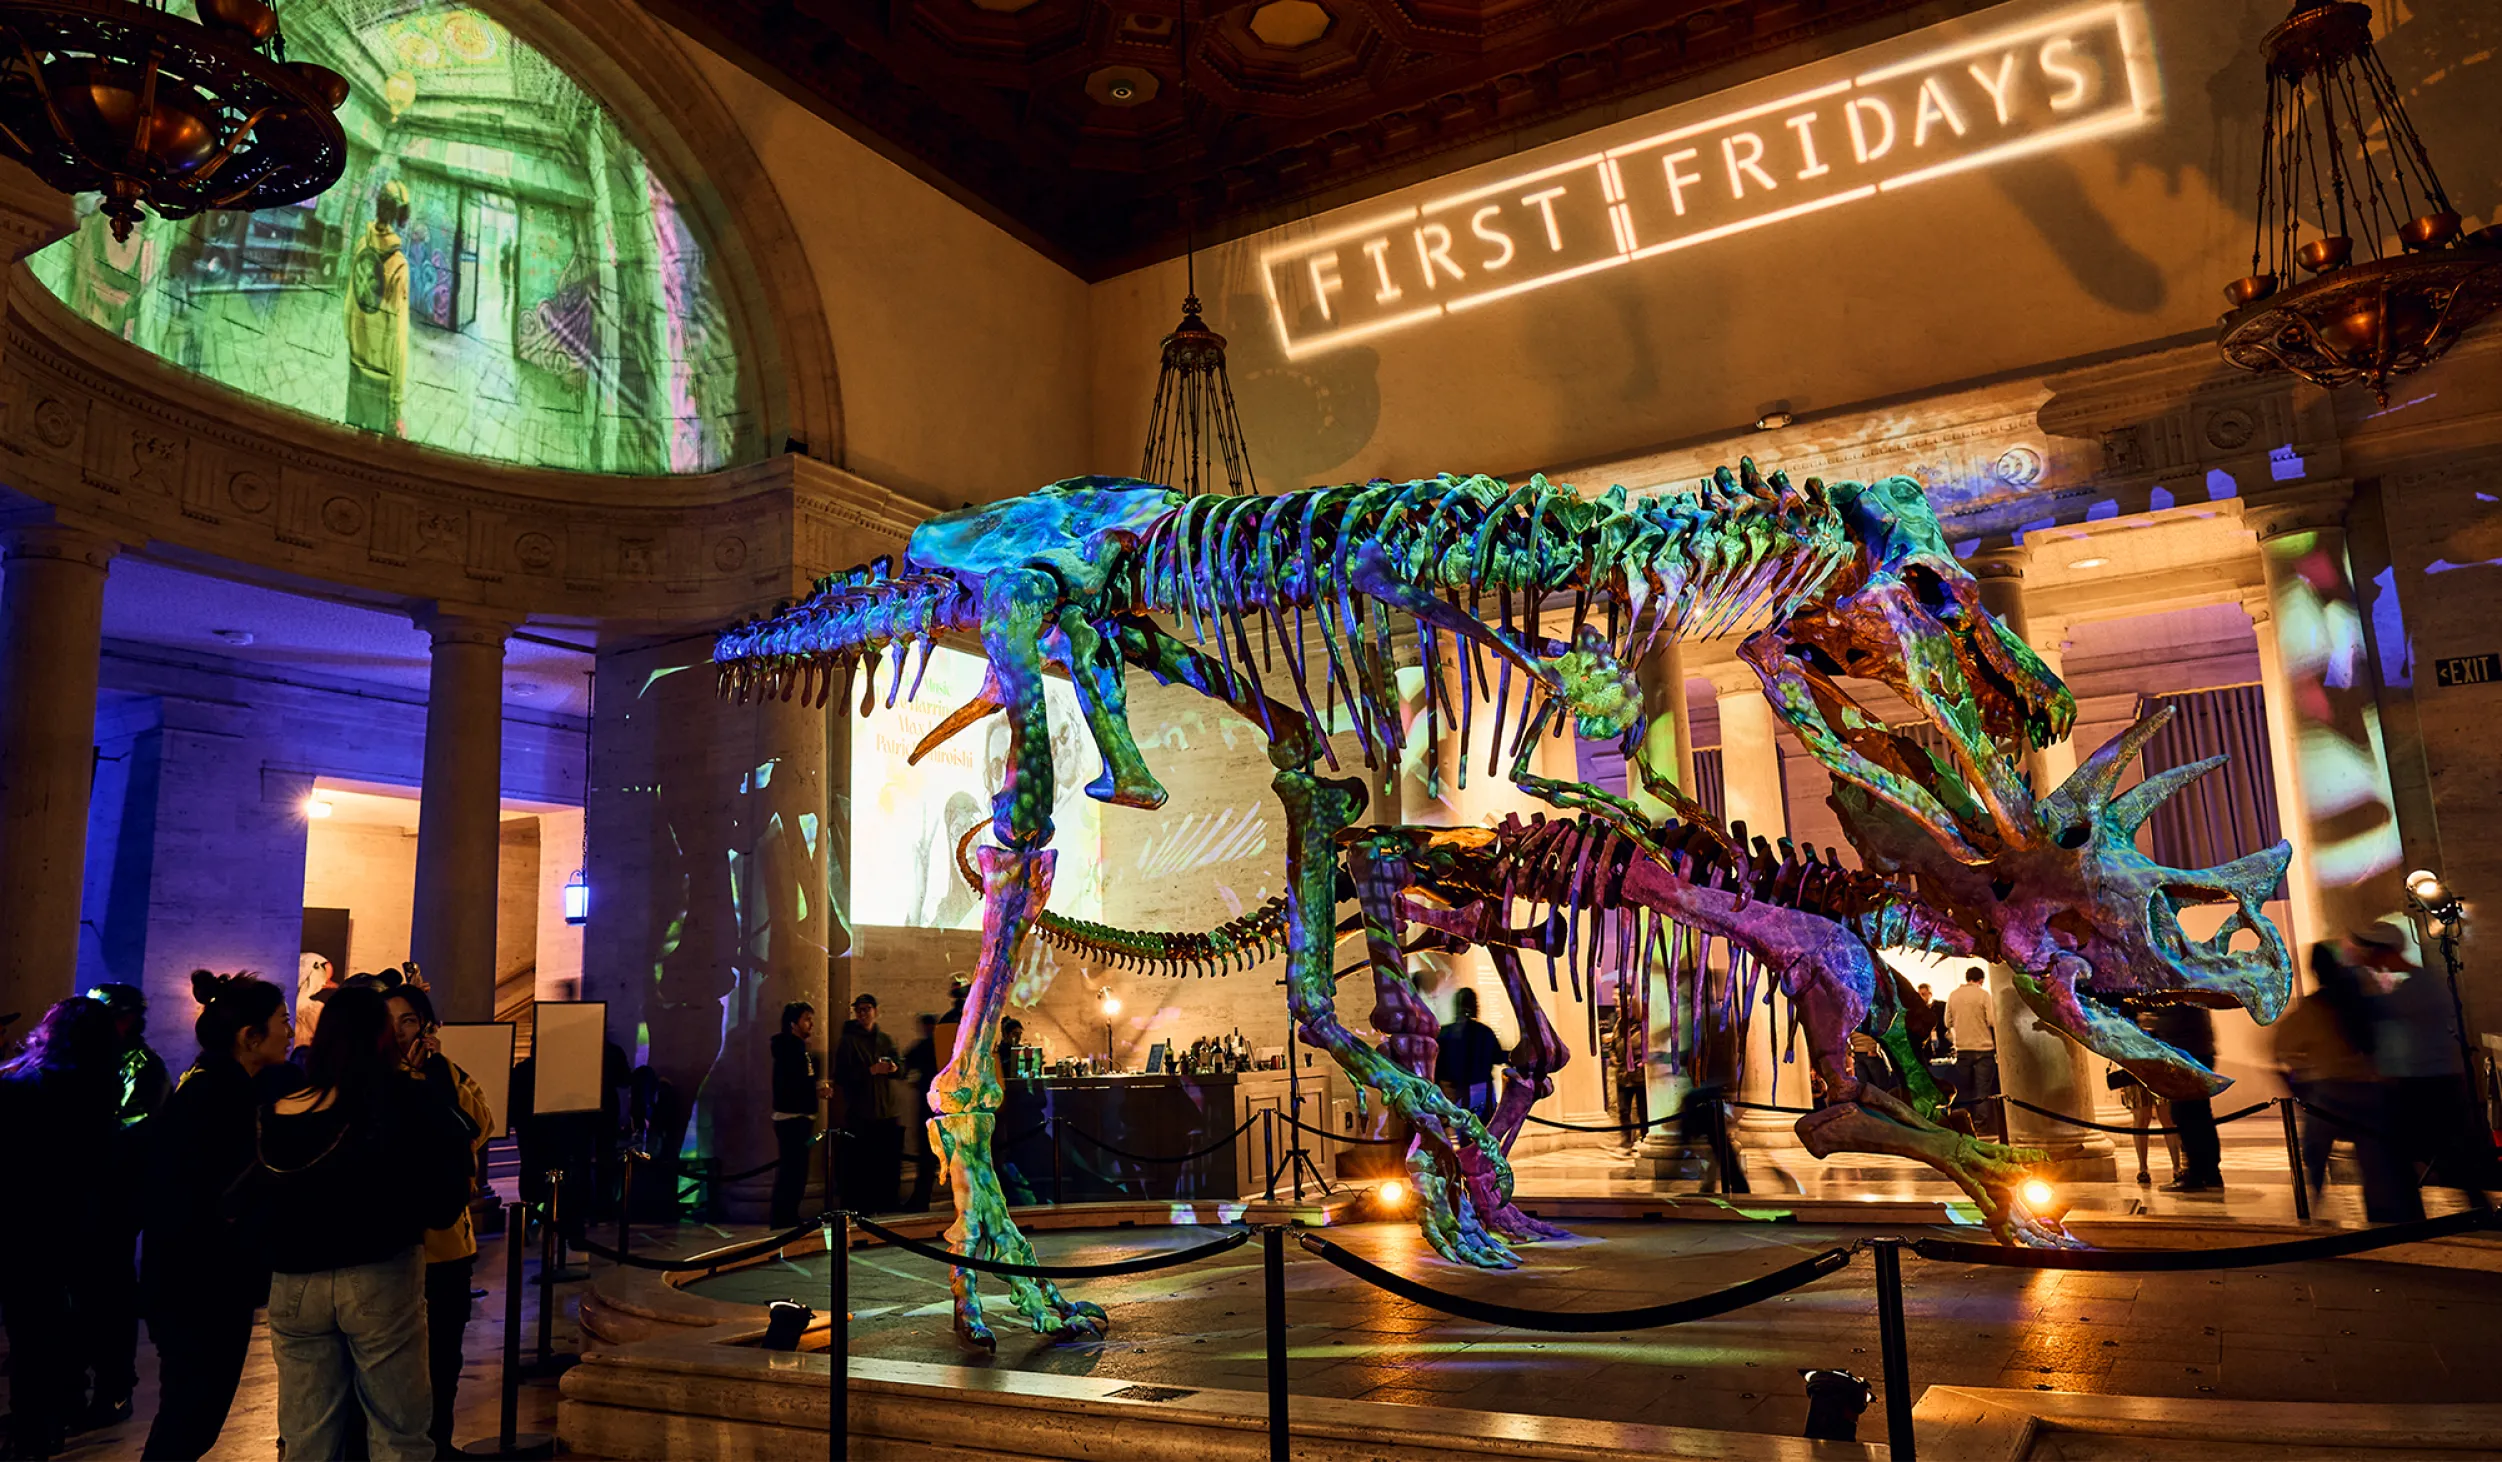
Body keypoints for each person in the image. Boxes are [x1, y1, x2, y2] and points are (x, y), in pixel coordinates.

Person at [251, 984, 476, 1462]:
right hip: (378, 1273)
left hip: (293, 1283)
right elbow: (450, 1180)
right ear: (381, 1037)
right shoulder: (403, 1097)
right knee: (398, 1431)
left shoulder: (283, 1108)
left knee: (307, 1436)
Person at [141, 971, 305, 1462]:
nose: (290, 1032)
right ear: (248, 1037)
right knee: (191, 1416)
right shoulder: (220, 1095)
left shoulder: (212, 1081)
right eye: (282, 1021)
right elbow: (221, 1193)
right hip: (202, 1283)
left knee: (191, 1415)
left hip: (188, 1279)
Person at [360, 970, 495, 1458]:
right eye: (389, 1022)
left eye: (410, 1021)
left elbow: (479, 1127)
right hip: (394, 1247)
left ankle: (440, 1441)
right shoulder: (370, 1082)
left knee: (445, 1356)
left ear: (428, 1027)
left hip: (448, 1247)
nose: (400, 1032)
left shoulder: (448, 1074)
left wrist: (434, 1080)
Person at [0, 999, 127, 1460]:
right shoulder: (103, 1088)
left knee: (30, 1333)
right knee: (59, 1326)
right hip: (80, 1222)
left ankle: (31, 1430)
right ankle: (51, 1420)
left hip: (23, 1223)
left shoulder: (21, 1085)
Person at [82, 983, 167, 1432]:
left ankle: (115, 1389)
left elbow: (131, 1128)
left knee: (110, 1296)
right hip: (88, 1197)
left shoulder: (141, 1066)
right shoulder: (92, 1060)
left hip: (115, 1199)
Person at [2277, 939, 2410, 1217]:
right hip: (2372, 1089)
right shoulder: (2362, 1000)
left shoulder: (2314, 1008)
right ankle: (2383, 1215)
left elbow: (2281, 1046)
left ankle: (2308, 1207)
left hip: (2332, 1091)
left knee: (2314, 1152)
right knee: (2375, 1162)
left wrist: (2302, 1071)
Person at [344, 180, 411, 438]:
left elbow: (350, 303)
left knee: (355, 437)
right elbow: (398, 339)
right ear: (401, 214)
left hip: (356, 360)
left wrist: (353, 344)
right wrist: (396, 401)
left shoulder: (362, 244)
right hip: (382, 374)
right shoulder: (398, 266)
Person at [833, 995, 902, 1214]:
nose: (863, 1014)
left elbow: (901, 1067)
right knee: (861, 1166)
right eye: (859, 1010)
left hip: (885, 1110)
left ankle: (885, 1204)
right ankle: (862, 1207)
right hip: (861, 1112)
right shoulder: (848, 1042)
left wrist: (894, 1069)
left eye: (867, 1009)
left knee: (884, 1165)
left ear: (875, 1011)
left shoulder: (885, 1040)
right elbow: (842, 1076)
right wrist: (869, 1072)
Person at [2147, 1001, 2223, 1194]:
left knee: (2185, 1115)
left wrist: (2153, 1024)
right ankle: (2210, 1172)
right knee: (2199, 1115)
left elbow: (2174, 1024)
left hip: (2186, 1057)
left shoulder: (2178, 998)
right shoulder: (2190, 993)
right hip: (2196, 1054)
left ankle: (2196, 1173)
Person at [769, 1002, 831, 1228]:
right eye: (806, 1019)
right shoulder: (789, 1050)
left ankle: (789, 1215)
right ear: (793, 1024)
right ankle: (783, 1218)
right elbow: (791, 1084)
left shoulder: (799, 1049)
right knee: (791, 1172)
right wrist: (815, 1090)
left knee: (797, 1171)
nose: (811, 1023)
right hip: (791, 1118)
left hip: (801, 1118)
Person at [1944, 968, 2001, 1140]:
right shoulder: (1983, 995)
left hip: (1963, 1048)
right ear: (1981, 980)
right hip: (1984, 1048)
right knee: (1982, 1090)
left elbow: (1947, 1021)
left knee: (1963, 1089)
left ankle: (1964, 1125)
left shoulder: (1954, 995)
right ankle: (1981, 1126)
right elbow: (1992, 1020)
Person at [1434, 988, 1504, 1123]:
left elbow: (1438, 1066)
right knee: (1487, 1132)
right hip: (1483, 1089)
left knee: (1464, 1133)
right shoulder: (1485, 1032)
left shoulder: (1444, 1033)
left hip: (1457, 1092)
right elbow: (1498, 1057)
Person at [902, 1014, 942, 1211]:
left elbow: (904, 1066)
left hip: (928, 1109)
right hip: (943, 1108)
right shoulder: (945, 1047)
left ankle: (921, 1199)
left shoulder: (923, 1047)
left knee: (926, 1157)